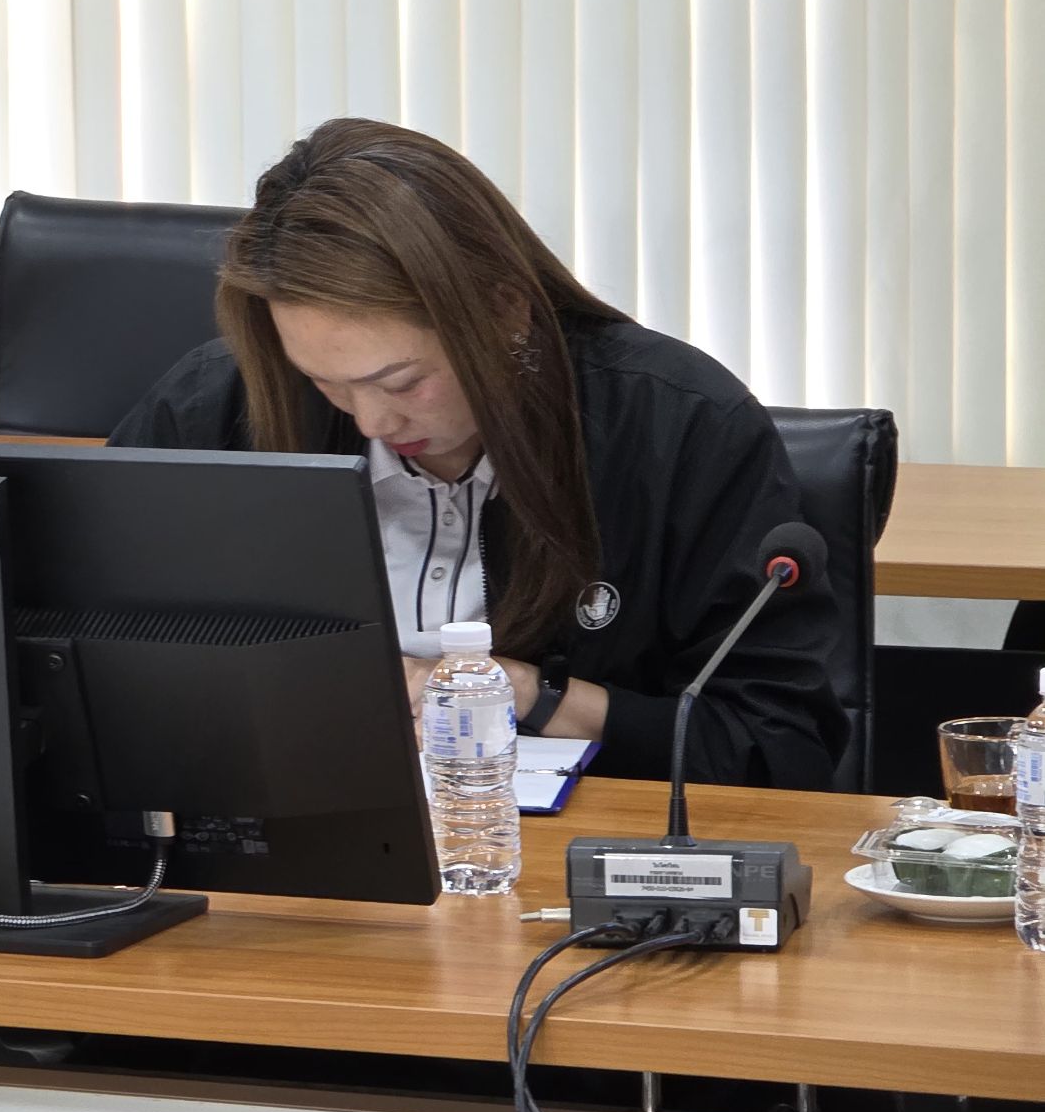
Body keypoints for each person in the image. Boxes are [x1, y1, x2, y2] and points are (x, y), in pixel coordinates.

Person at [112, 118, 846, 788]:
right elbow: (91, 657)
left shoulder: (678, 428)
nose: (370, 419)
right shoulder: (216, 407)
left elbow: (778, 749)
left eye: (402, 381)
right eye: (324, 382)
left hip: (571, 855)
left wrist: (527, 694)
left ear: (503, 312)